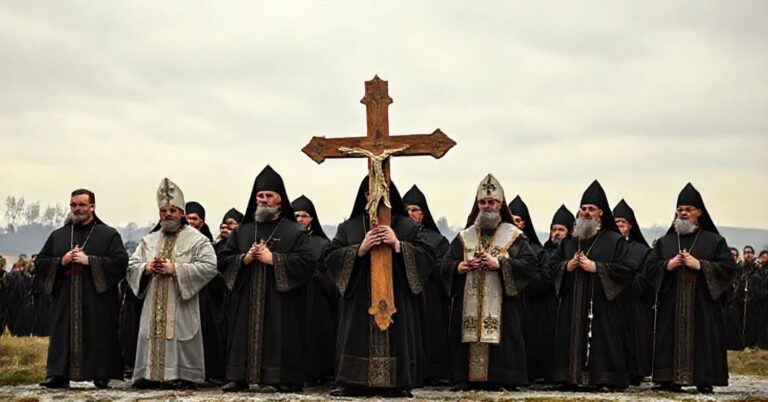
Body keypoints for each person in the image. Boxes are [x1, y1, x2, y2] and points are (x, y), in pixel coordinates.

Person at [323, 176, 434, 397]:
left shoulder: (407, 226)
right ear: (364, 196)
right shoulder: (349, 227)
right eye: (370, 193)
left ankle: (398, 382)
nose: (376, 197)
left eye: (382, 193)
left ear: (391, 195)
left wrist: (398, 245)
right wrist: (359, 249)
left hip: (397, 298)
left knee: (397, 336)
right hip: (359, 300)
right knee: (356, 336)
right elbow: (330, 256)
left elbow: (428, 256)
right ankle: (352, 382)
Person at [218, 166, 315, 393]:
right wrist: (244, 258)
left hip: (281, 301)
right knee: (241, 333)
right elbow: (223, 259)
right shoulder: (242, 231)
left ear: (280, 199)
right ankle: (238, 376)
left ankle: (278, 377)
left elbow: (307, 263)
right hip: (246, 299)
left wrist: (275, 260)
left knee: (279, 335)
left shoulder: (295, 231)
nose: (263, 200)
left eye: (269, 196)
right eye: (260, 196)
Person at [444, 175, 537, 391]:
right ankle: (466, 377)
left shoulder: (513, 236)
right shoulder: (464, 237)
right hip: (468, 301)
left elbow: (530, 264)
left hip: (502, 305)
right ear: (476, 205)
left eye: (491, 203)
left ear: (500, 205)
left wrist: (500, 263)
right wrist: (459, 267)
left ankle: (501, 377)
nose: (487, 207)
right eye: (482, 202)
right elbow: (445, 264)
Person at [645, 183, 736, 394]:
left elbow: (728, 269)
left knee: (703, 337)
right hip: (671, 304)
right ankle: (667, 378)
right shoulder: (664, 241)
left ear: (699, 212)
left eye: (688, 209)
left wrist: (701, 265)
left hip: (702, 304)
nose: (683, 213)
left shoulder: (715, 241)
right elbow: (649, 268)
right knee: (668, 337)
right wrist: (667, 265)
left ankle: (704, 379)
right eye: (680, 209)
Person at [127, 178, 218, 390]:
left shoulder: (197, 239)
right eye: (164, 210)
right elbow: (132, 265)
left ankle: (181, 375)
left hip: (181, 300)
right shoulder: (148, 240)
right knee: (150, 333)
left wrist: (175, 269)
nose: (168, 214)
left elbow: (209, 265)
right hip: (153, 300)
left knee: (180, 333)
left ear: (181, 213)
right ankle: (149, 374)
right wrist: (147, 268)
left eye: (173, 210)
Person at [35, 189, 128, 389]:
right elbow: (40, 262)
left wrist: (90, 261)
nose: (77, 209)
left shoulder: (109, 234)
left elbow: (121, 262)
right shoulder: (58, 235)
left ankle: (102, 374)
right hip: (65, 296)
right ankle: (58, 374)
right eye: (73, 205)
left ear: (92, 207)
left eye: (82, 205)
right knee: (62, 333)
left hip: (96, 296)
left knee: (99, 332)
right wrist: (62, 261)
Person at [551, 180, 635, 391]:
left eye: (591, 209)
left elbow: (628, 270)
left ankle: (603, 379)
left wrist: (596, 267)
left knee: (603, 339)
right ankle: (570, 377)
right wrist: (567, 266)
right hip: (572, 304)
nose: (586, 213)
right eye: (583, 208)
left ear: (601, 213)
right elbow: (550, 267)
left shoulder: (615, 240)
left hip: (603, 307)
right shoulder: (570, 241)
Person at [402, 184, 451, 384]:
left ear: (423, 214)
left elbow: (444, 269)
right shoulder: (395, 236)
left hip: (429, 295)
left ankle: (432, 371)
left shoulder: (437, 239)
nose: (410, 214)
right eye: (406, 210)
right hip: (403, 293)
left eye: (414, 210)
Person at [508, 195, 555, 383]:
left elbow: (546, 279)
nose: (513, 223)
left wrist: (522, 276)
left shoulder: (537, 250)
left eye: (517, 220)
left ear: (524, 224)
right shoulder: (499, 248)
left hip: (532, 305)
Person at [292, 195, 336, 384]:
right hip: (291, 293)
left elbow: (331, 274)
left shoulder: (322, 243)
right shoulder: (285, 240)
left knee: (313, 332)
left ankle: (316, 372)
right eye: (296, 216)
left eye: (304, 216)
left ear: (312, 218)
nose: (300, 219)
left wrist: (315, 274)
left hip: (314, 295)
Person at [613, 199, 652, 385]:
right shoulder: (607, 246)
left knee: (634, 338)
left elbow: (646, 277)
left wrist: (627, 280)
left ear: (630, 226)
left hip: (633, 302)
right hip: (611, 300)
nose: (619, 225)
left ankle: (635, 372)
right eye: (616, 222)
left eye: (622, 222)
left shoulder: (642, 250)